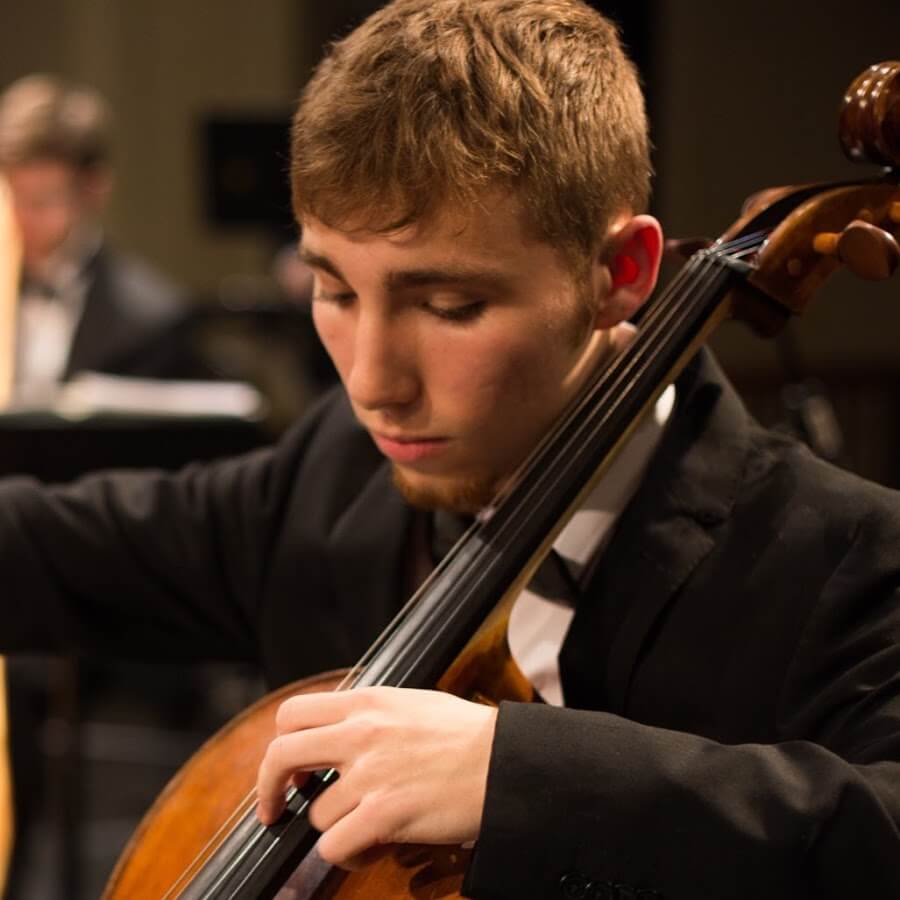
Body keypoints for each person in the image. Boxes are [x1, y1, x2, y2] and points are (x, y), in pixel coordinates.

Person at [1, 2, 899, 898]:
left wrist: (518, 776)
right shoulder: (335, 476)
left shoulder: (844, 564)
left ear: (619, 274)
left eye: (449, 307)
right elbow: (54, 549)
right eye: (334, 290)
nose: (372, 383)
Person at [0, 74, 184, 403]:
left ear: (94, 191)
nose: (16, 217)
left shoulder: (149, 319)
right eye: (10, 197)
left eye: (42, 201)